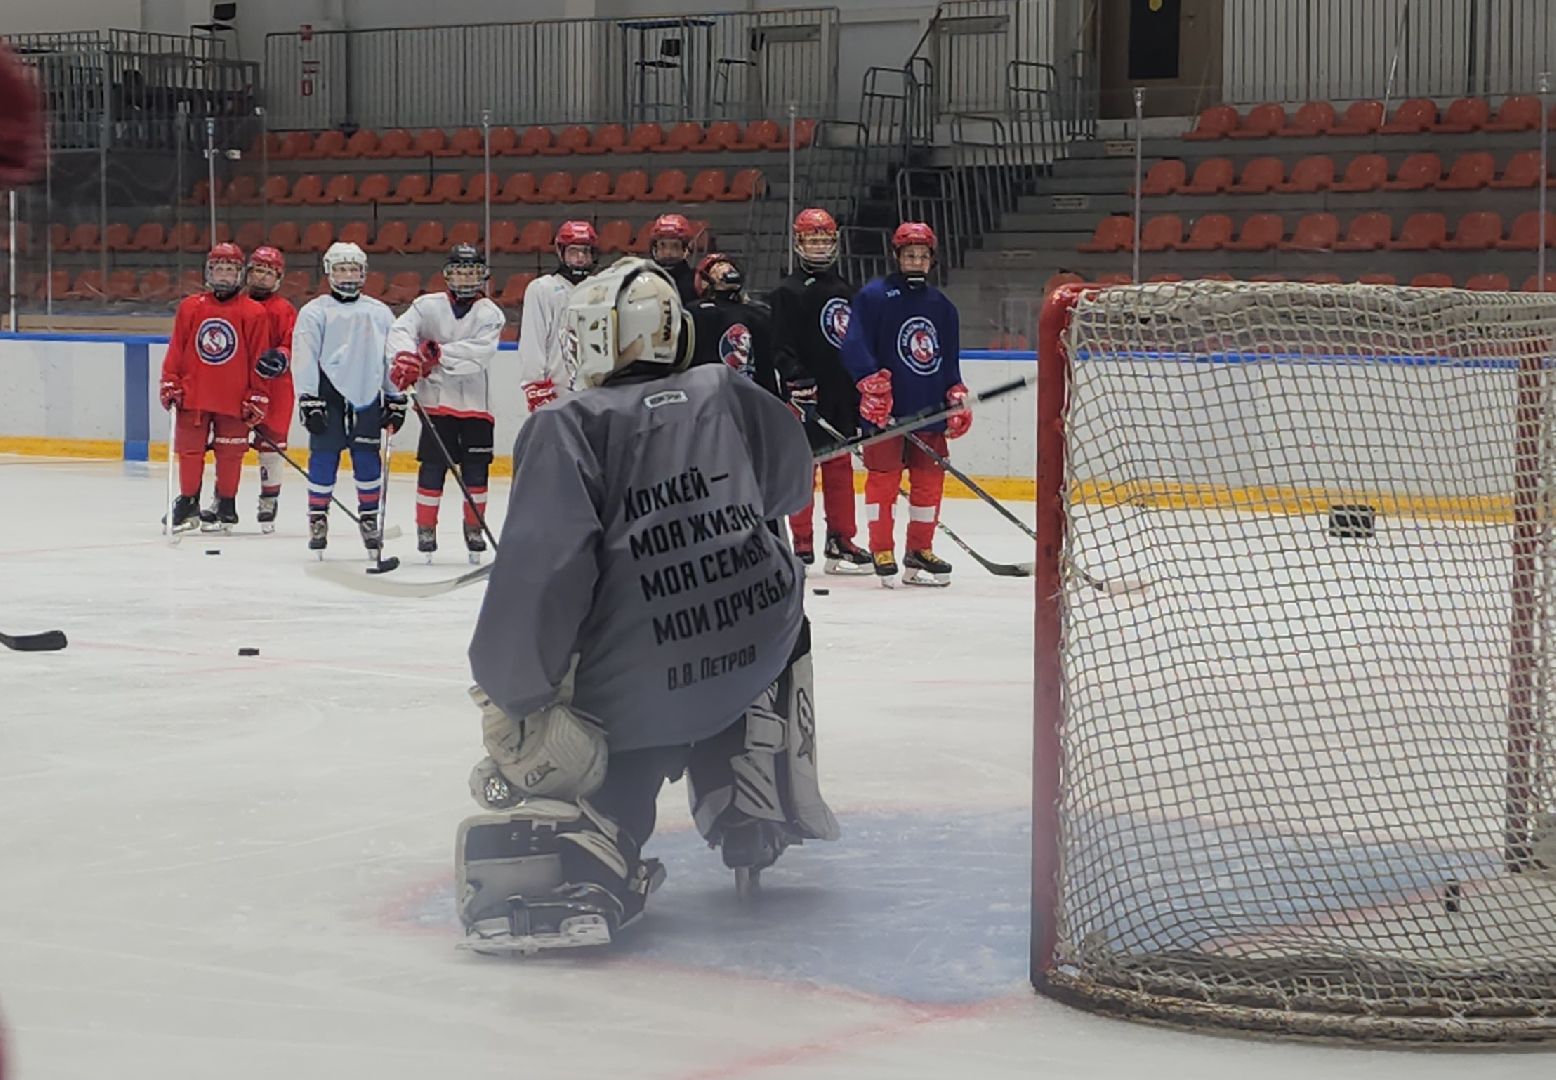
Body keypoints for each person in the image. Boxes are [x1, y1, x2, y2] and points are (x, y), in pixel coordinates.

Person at [457, 257, 838, 954]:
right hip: (758, 648)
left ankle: (605, 835)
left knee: (615, 708)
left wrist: (514, 691)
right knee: (771, 619)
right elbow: (788, 490)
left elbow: (544, 577)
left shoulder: (566, 425)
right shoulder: (727, 388)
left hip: (644, 685)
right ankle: (750, 790)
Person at [839, 221, 969, 587]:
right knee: (883, 480)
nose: (916, 261)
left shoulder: (942, 306)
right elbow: (853, 344)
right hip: (886, 411)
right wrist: (869, 383)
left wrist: (955, 391)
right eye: (909, 255)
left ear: (932, 260)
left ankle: (919, 549)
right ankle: (881, 548)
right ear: (896, 256)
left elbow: (948, 360)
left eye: (922, 256)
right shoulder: (874, 296)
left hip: (929, 408)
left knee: (929, 481)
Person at [386, 243, 506, 563]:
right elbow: (400, 330)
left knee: (477, 470)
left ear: (483, 276)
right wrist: (405, 357)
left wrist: (436, 355)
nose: (466, 279)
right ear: (447, 275)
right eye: (460, 272)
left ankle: (474, 528)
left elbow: (477, 357)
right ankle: (426, 529)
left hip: (476, 403)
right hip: (436, 401)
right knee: (434, 467)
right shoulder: (427, 305)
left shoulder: (490, 313)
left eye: (472, 272)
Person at [768, 208, 871, 573]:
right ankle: (802, 543)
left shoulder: (845, 288)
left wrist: (862, 384)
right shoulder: (786, 291)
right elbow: (779, 345)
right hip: (805, 395)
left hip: (840, 392)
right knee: (803, 469)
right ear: (798, 243)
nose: (818, 247)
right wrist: (795, 378)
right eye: (812, 240)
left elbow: (853, 340)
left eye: (824, 240)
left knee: (840, 467)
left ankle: (841, 540)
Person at [291, 241, 401, 554]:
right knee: (324, 458)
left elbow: (390, 357)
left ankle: (369, 518)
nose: (348, 275)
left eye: (353, 269)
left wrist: (395, 397)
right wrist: (308, 398)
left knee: (367, 459)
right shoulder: (315, 312)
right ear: (329, 273)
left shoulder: (379, 312)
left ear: (364, 272)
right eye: (341, 269)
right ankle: (318, 517)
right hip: (328, 396)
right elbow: (304, 356)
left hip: (367, 395)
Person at [159, 243, 272, 532]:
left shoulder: (254, 313)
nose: (223, 276)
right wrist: (170, 380)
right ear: (209, 272)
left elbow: (259, 358)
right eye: (218, 269)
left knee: (231, 451)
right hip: (193, 393)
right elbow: (177, 348)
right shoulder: (190, 307)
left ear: (240, 274)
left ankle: (226, 504)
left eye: (230, 270)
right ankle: (188, 501)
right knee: (190, 449)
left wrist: (257, 394)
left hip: (234, 397)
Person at [242, 246, 297, 531]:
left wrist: (282, 356)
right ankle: (222, 499)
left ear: (278, 278)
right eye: (258, 271)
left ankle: (269, 499)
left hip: (277, 387)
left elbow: (292, 343)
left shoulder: (284, 310)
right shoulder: (235, 305)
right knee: (230, 443)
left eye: (268, 272)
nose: (262, 277)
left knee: (271, 447)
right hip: (238, 386)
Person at [517, 220, 596, 412]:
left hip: (594, 393)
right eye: (573, 251)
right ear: (561, 252)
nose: (579, 258)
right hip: (556, 394)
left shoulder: (601, 288)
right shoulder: (543, 289)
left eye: (584, 252)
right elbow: (532, 340)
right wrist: (535, 385)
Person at [686, 251, 783, 399]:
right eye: (717, 267)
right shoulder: (694, 312)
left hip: (749, 397)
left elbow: (767, 367)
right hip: (706, 396)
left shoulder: (758, 314)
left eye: (727, 266)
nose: (724, 269)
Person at [647, 212, 698, 304]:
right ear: (654, 248)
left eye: (675, 246)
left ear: (686, 249)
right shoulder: (644, 280)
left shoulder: (697, 281)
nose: (668, 253)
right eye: (662, 245)